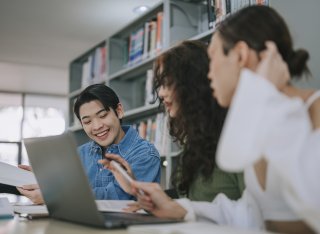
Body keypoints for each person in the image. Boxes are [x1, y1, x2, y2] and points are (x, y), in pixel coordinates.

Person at [123, 5, 318, 234]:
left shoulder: (312, 111)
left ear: (240, 56)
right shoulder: (257, 120)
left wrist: (268, 101)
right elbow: (253, 215)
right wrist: (181, 209)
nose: (208, 75)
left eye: (213, 58)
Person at [101, 40, 244, 202]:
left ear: (194, 83)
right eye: (160, 84)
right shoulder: (195, 142)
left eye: (167, 83)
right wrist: (137, 187)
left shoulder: (238, 138)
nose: (161, 93)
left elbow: (255, 215)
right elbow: (188, 202)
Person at [17, 84, 161, 203]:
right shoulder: (79, 154)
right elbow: (69, 186)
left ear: (119, 111)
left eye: (103, 115)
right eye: (87, 121)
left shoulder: (145, 153)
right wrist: (48, 179)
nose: (97, 126)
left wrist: (54, 195)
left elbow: (117, 198)